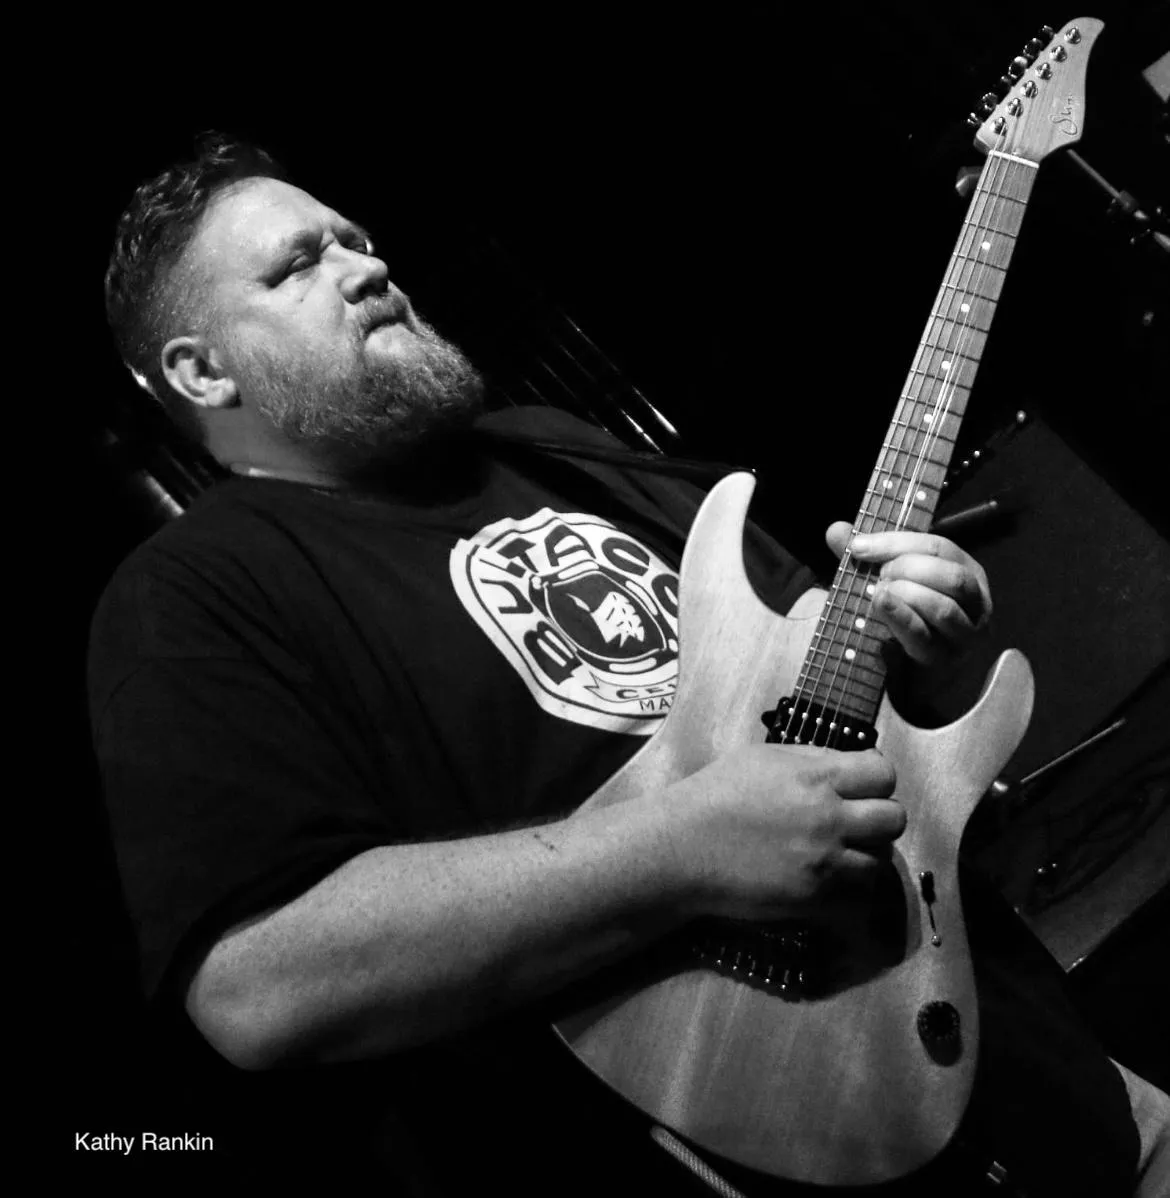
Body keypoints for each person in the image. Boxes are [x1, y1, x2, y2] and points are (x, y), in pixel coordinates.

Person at [89, 132, 1166, 1195]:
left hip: (1051, 1071)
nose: (365, 266)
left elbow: (824, 709)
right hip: (777, 1142)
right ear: (200, 370)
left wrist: (907, 613)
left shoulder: (554, 443)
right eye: (300, 263)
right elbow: (254, 987)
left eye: (355, 239)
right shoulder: (193, 594)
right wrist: (681, 847)